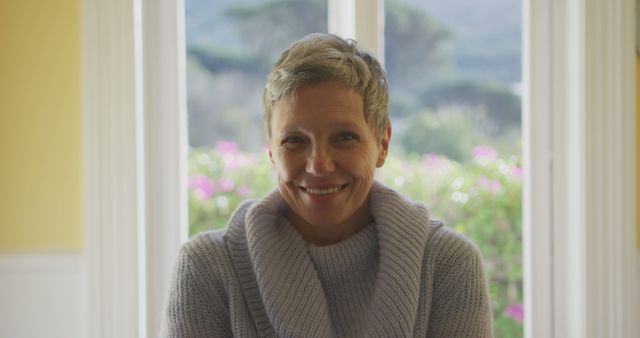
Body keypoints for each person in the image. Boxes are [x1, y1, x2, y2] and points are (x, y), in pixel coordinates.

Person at [162, 33, 493, 337]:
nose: (319, 164)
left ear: (382, 144)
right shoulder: (208, 268)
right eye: (294, 140)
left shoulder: (447, 265)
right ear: (271, 152)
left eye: (345, 138)